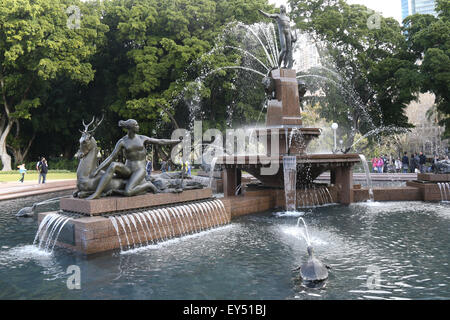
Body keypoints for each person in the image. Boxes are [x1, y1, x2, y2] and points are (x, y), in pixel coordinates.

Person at [86, 119, 181, 200]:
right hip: (128, 169)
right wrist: (97, 170)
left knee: (128, 192)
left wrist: (176, 141)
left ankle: (148, 185)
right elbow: (111, 157)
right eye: (136, 125)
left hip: (139, 170)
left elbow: (160, 141)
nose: (138, 126)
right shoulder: (122, 141)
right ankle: (97, 193)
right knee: (114, 165)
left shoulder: (142, 138)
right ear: (130, 128)